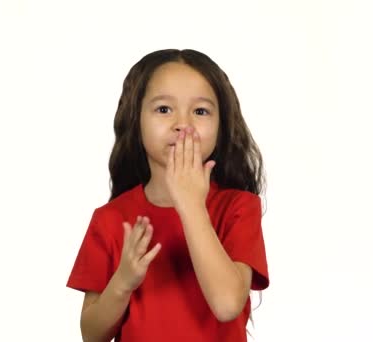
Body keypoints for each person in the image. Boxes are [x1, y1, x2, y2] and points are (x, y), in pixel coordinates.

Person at [66, 49, 269, 341]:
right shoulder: (111, 219)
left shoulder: (239, 207)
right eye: (163, 109)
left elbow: (227, 305)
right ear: (136, 120)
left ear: (221, 126)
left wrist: (190, 204)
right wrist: (122, 282)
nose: (182, 124)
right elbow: (92, 334)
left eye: (200, 111)